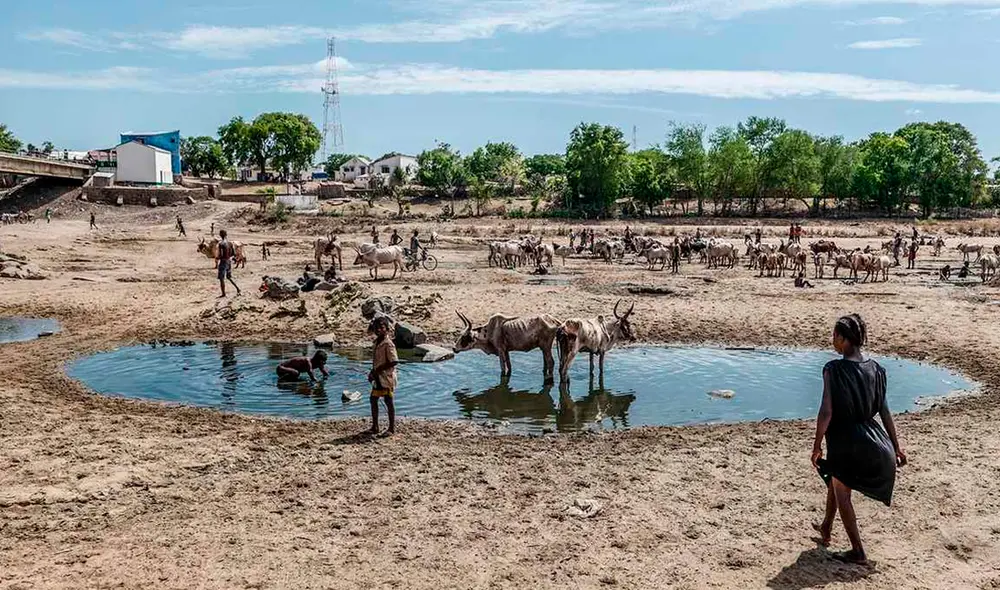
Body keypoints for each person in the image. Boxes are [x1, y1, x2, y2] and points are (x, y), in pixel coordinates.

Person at [812, 314, 906, 565]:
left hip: (848, 440)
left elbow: (826, 411)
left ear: (843, 339)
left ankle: (858, 551)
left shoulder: (834, 369)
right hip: (876, 440)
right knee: (836, 478)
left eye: (834, 336)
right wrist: (896, 446)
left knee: (843, 492)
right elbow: (885, 411)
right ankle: (826, 528)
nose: (832, 341)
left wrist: (816, 444)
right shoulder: (876, 369)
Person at [368, 316, 398, 436]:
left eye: (381, 327)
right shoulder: (377, 343)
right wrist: (373, 372)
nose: (379, 330)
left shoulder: (388, 344)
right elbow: (376, 361)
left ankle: (391, 428)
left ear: (386, 329)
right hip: (378, 377)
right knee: (373, 399)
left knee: (388, 401)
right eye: (376, 328)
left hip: (386, 377)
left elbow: (394, 361)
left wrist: (379, 369)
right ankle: (375, 426)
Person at [216, 229, 241, 298]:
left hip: (223, 262)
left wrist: (217, 257)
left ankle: (223, 294)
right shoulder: (230, 243)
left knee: (221, 278)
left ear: (220, 235)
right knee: (229, 277)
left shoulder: (221, 244)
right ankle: (238, 288)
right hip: (228, 262)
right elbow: (233, 253)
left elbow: (221, 255)